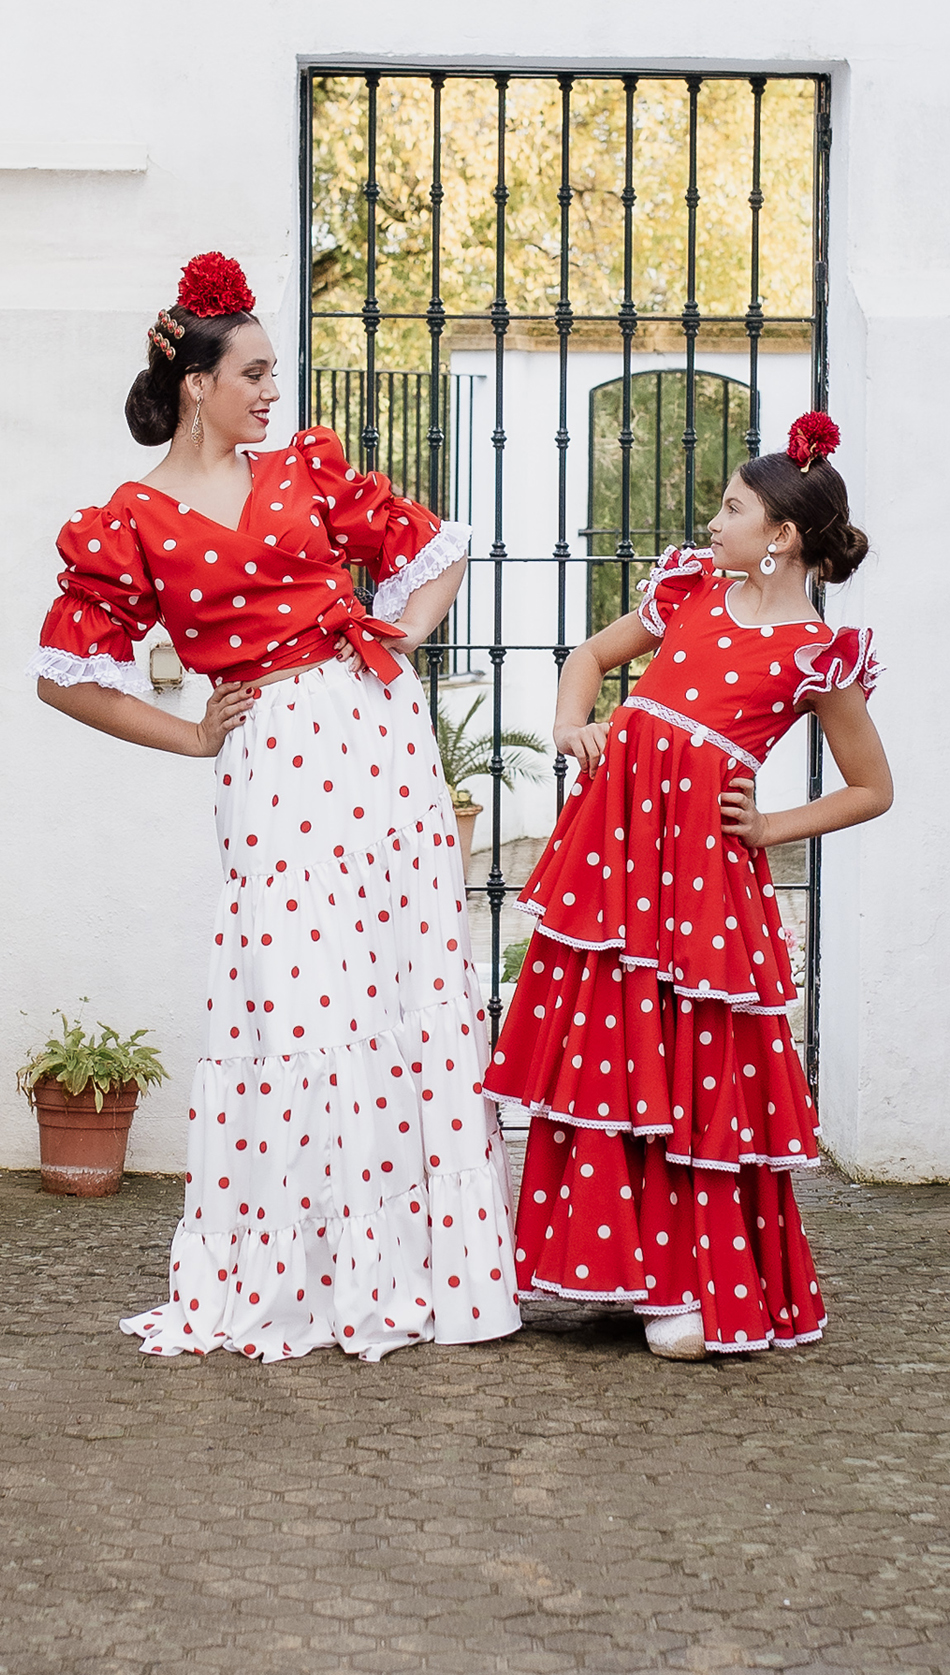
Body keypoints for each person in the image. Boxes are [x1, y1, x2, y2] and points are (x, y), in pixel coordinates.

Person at [29, 252, 520, 1363]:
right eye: (251, 373)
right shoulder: (132, 521)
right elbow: (67, 678)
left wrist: (401, 636)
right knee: (299, 999)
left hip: (377, 733)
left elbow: (433, 548)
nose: (270, 391)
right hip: (273, 761)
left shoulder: (304, 468)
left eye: (272, 373)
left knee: (400, 981)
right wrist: (194, 734)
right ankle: (306, 1272)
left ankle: (418, 1269)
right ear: (194, 383)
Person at [483, 412, 892, 1359]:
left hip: (703, 880)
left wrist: (770, 826)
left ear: (781, 534)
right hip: (615, 861)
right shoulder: (691, 590)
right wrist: (572, 725)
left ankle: (692, 1282)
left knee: (697, 1068)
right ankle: (612, 1268)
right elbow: (589, 657)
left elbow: (872, 788)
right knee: (610, 1054)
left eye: (732, 507)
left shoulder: (816, 654)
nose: (713, 522)